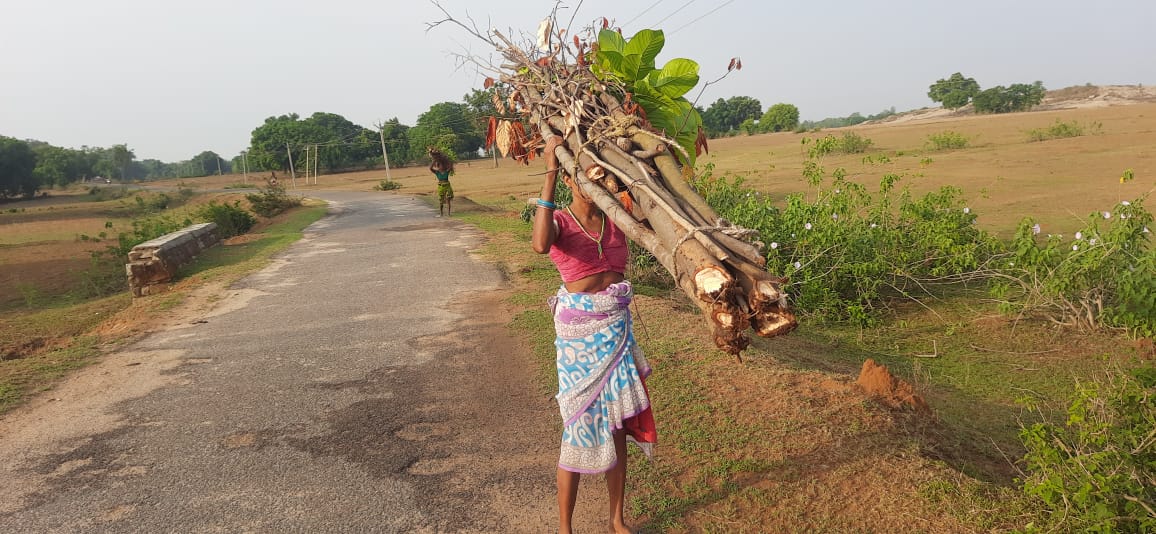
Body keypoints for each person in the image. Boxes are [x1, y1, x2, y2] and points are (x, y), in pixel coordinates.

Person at [531, 136, 657, 534]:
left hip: (616, 329)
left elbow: (654, 218)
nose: (592, 184)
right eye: (583, 177)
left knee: (617, 424)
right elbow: (539, 245)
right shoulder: (560, 222)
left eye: (598, 177)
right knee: (578, 423)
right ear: (570, 181)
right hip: (578, 335)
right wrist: (551, 168)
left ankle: (616, 518)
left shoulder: (619, 218)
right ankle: (565, 526)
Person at [427, 147, 454, 216]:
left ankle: (448, 213)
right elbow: (430, 168)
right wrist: (434, 160)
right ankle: (441, 213)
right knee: (441, 201)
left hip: (447, 185)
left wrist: (448, 160)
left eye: (442, 166)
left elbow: (450, 167)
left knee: (448, 199)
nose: (441, 167)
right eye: (439, 166)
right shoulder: (437, 172)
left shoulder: (446, 171)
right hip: (440, 186)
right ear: (438, 167)